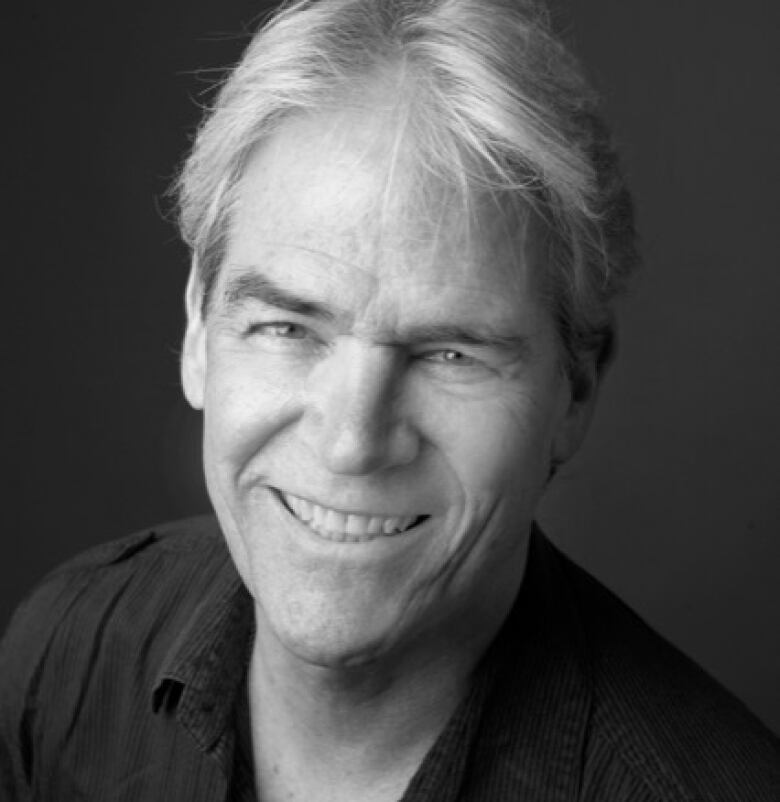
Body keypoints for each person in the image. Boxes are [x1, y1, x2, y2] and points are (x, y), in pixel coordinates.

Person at [1, 0, 778, 799]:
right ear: (200, 326)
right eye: (287, 328)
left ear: (574, 392)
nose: (351, 442)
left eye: (449, 353)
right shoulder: (68, 653)